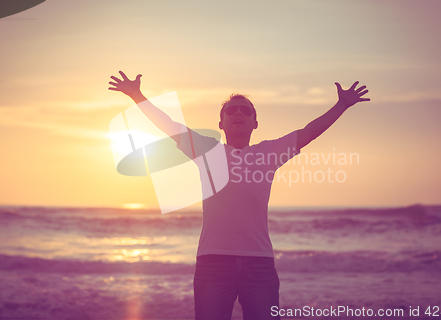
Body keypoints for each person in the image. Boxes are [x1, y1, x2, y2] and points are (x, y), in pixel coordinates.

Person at [109, 71, 369, 320]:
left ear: (255, 123)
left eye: (246, 110)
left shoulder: (269, 153)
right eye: (230, 110)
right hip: (212, 262)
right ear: (220, 123)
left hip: (259, 264)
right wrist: (137, 96)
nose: (238, 113)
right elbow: (169, 126)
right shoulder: (206, 150)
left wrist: (341, 106)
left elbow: (309, 132)